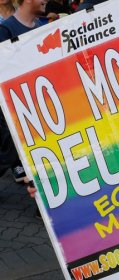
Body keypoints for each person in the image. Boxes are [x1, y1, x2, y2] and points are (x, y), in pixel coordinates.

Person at [0, 0, 50, 182]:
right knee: (9, 151)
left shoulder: (39, 26)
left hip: (36, 103)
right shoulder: (5, 31)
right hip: (15, 106)